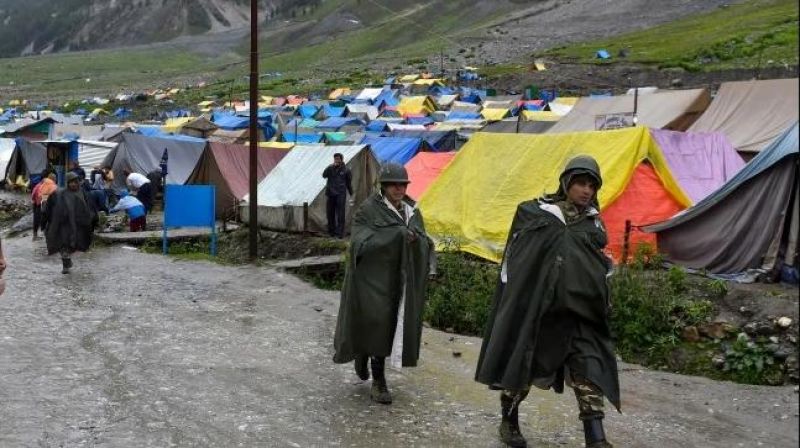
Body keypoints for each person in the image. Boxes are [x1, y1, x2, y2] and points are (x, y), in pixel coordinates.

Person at [474, 155, 619, 448]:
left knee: (588, 370)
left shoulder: (594, 226)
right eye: (581, 182)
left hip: (579, 316)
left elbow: (594, 265)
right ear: (566, 182)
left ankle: (596, 439)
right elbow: (517, 260)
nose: (586, 190)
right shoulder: (538, 214)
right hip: (539, 313)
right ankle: (509, 421)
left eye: (592, 185)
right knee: (521, 369)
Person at [333, 163, 436, 405]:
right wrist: (397, 236)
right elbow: (359, 243)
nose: (399, 189)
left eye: (403, 184)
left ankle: (365, 354)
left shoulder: (412, 212)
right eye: (394, 184)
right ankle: (378, 381)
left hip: (400, 280)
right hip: (373, 280)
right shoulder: (368, 211)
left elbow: (423, 239)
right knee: (377, 323)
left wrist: (416, 241)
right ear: (384, 186)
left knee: (391, 326)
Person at [44, 172, 96, 274]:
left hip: (78, 225)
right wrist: (48, 220)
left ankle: (68, 261)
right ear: (67, 183)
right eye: (71, 182)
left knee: (75, 244)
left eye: (75, 182)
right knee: (64, 244)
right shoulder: (59, 194)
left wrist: (92, 219)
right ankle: (66, 265)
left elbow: (90, 208)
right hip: (64, 224)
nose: (73, 184)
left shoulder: (83, 193)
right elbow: (49, 208)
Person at [322, 153, 353, 238]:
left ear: (341, 160)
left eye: (338, 159)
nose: (336, 161)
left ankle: (340, 233)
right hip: (330, 193)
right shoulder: (330, 168)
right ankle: (331, 231)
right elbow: (324, 175)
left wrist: (351, 194)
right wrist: (329, 166)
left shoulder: (346, 170)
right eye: (335, 159)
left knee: (340, 214)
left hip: (340, 194)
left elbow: (349, 184)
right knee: (330, 213)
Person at [31, 171, 58, 241]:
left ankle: (35, 235)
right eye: (55, 179)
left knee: (36, 219)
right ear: (54, 179)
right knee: (45, 218)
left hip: (36, 203)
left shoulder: (40, 184)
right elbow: (47, 196)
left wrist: (34, 201)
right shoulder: (51, 185)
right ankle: (45, 234)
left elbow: (33, 193)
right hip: (43, 203)